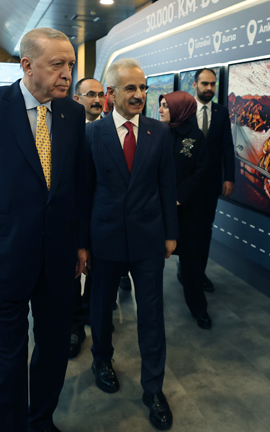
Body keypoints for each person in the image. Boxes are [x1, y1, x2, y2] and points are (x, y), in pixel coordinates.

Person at [0, 27, 89, 432]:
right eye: (57, 64)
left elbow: (77, 185)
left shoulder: (72, 113)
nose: (66, 74)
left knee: (55, 349)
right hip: (0, 260)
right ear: (27, 65)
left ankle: (40, 420)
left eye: (70, 65)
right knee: (7, 362)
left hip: (57, 259)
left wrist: (80, 244)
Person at [87, 59, 178, 431]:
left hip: (148, 239)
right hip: (104, 238)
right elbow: (83, 191)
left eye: (143, 88)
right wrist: (82, 244)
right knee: (100, 308)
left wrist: (171, 234)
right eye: (131, 88)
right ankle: (101, 360)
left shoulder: (160, 132)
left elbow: (167, 185)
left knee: (152, 315)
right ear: (111, 93)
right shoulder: (92, 134)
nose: (140, 94)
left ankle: (153, 388)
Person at [158, 92, 211, 329]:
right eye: (160, 106)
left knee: (191, 263)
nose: (160, 110)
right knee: (153, 261)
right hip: (159, 209)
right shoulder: (158, 133)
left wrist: (178, 197)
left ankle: (198, 308)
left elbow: (202, 171)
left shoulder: (195, 136)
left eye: (165, 106)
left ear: (180, 109)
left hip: (187, 211)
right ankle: (152, 306)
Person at [68, 77, 106, 359]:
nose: (97, 99)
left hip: (102, 215)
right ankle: (74, 326)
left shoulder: (111, 129)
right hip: (72, 213)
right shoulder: (66, 129)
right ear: (77, 98)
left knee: (99, 271)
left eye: (101, 94)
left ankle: (94, 313)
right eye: (90, 94)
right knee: (72, 272)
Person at [189, 68, 234, 292]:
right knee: (188, 229)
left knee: (205, 230)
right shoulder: (185, 110)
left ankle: (199, 273)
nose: (209, 88)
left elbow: (227, 146)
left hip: (210, 183)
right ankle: (186, 269)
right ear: (195, 85)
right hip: (187, 184)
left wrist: (229, 178)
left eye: (212, 84)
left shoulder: (221, 112)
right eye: (205, 83)